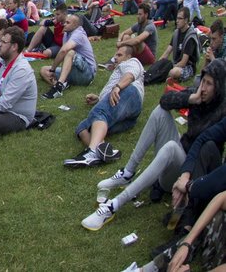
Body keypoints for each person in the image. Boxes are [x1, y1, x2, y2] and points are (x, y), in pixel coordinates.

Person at [80, 59, 226, 231]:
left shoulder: (222, 111)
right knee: (160, 112)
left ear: (219, 87)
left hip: (193, 175)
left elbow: (204, 143)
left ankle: (113, 205)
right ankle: (128, 171)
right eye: (203, 81)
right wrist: (191, 98)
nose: (204, 87)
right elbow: (165, 100)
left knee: (172, 147)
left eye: (209, 84)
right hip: (181, 158)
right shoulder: (198, 95)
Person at [64, 43, 144, 168]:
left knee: (99, 113)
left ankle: (91, 152)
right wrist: (99, 99)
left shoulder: (132, 62)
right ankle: (103, 153)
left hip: (129, 93)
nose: (115, 57)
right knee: (83, 127)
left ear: (128, 56)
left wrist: (118, 87)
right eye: (115, 54)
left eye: (119, 55)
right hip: (124, 110)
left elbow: (131, 75)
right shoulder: (120, 68)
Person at [40, 13, 97, 99]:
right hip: (74, 71)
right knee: (43, 70)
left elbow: (64, 51)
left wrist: (53, 69)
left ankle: (58, 88)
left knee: (69, 52)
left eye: (68, 22)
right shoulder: (66, 34)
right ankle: (62, 84)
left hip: (86, 74)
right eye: (65, 22)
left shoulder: (79, 34)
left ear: (76, 25)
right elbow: (63, 56)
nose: (64, 24)